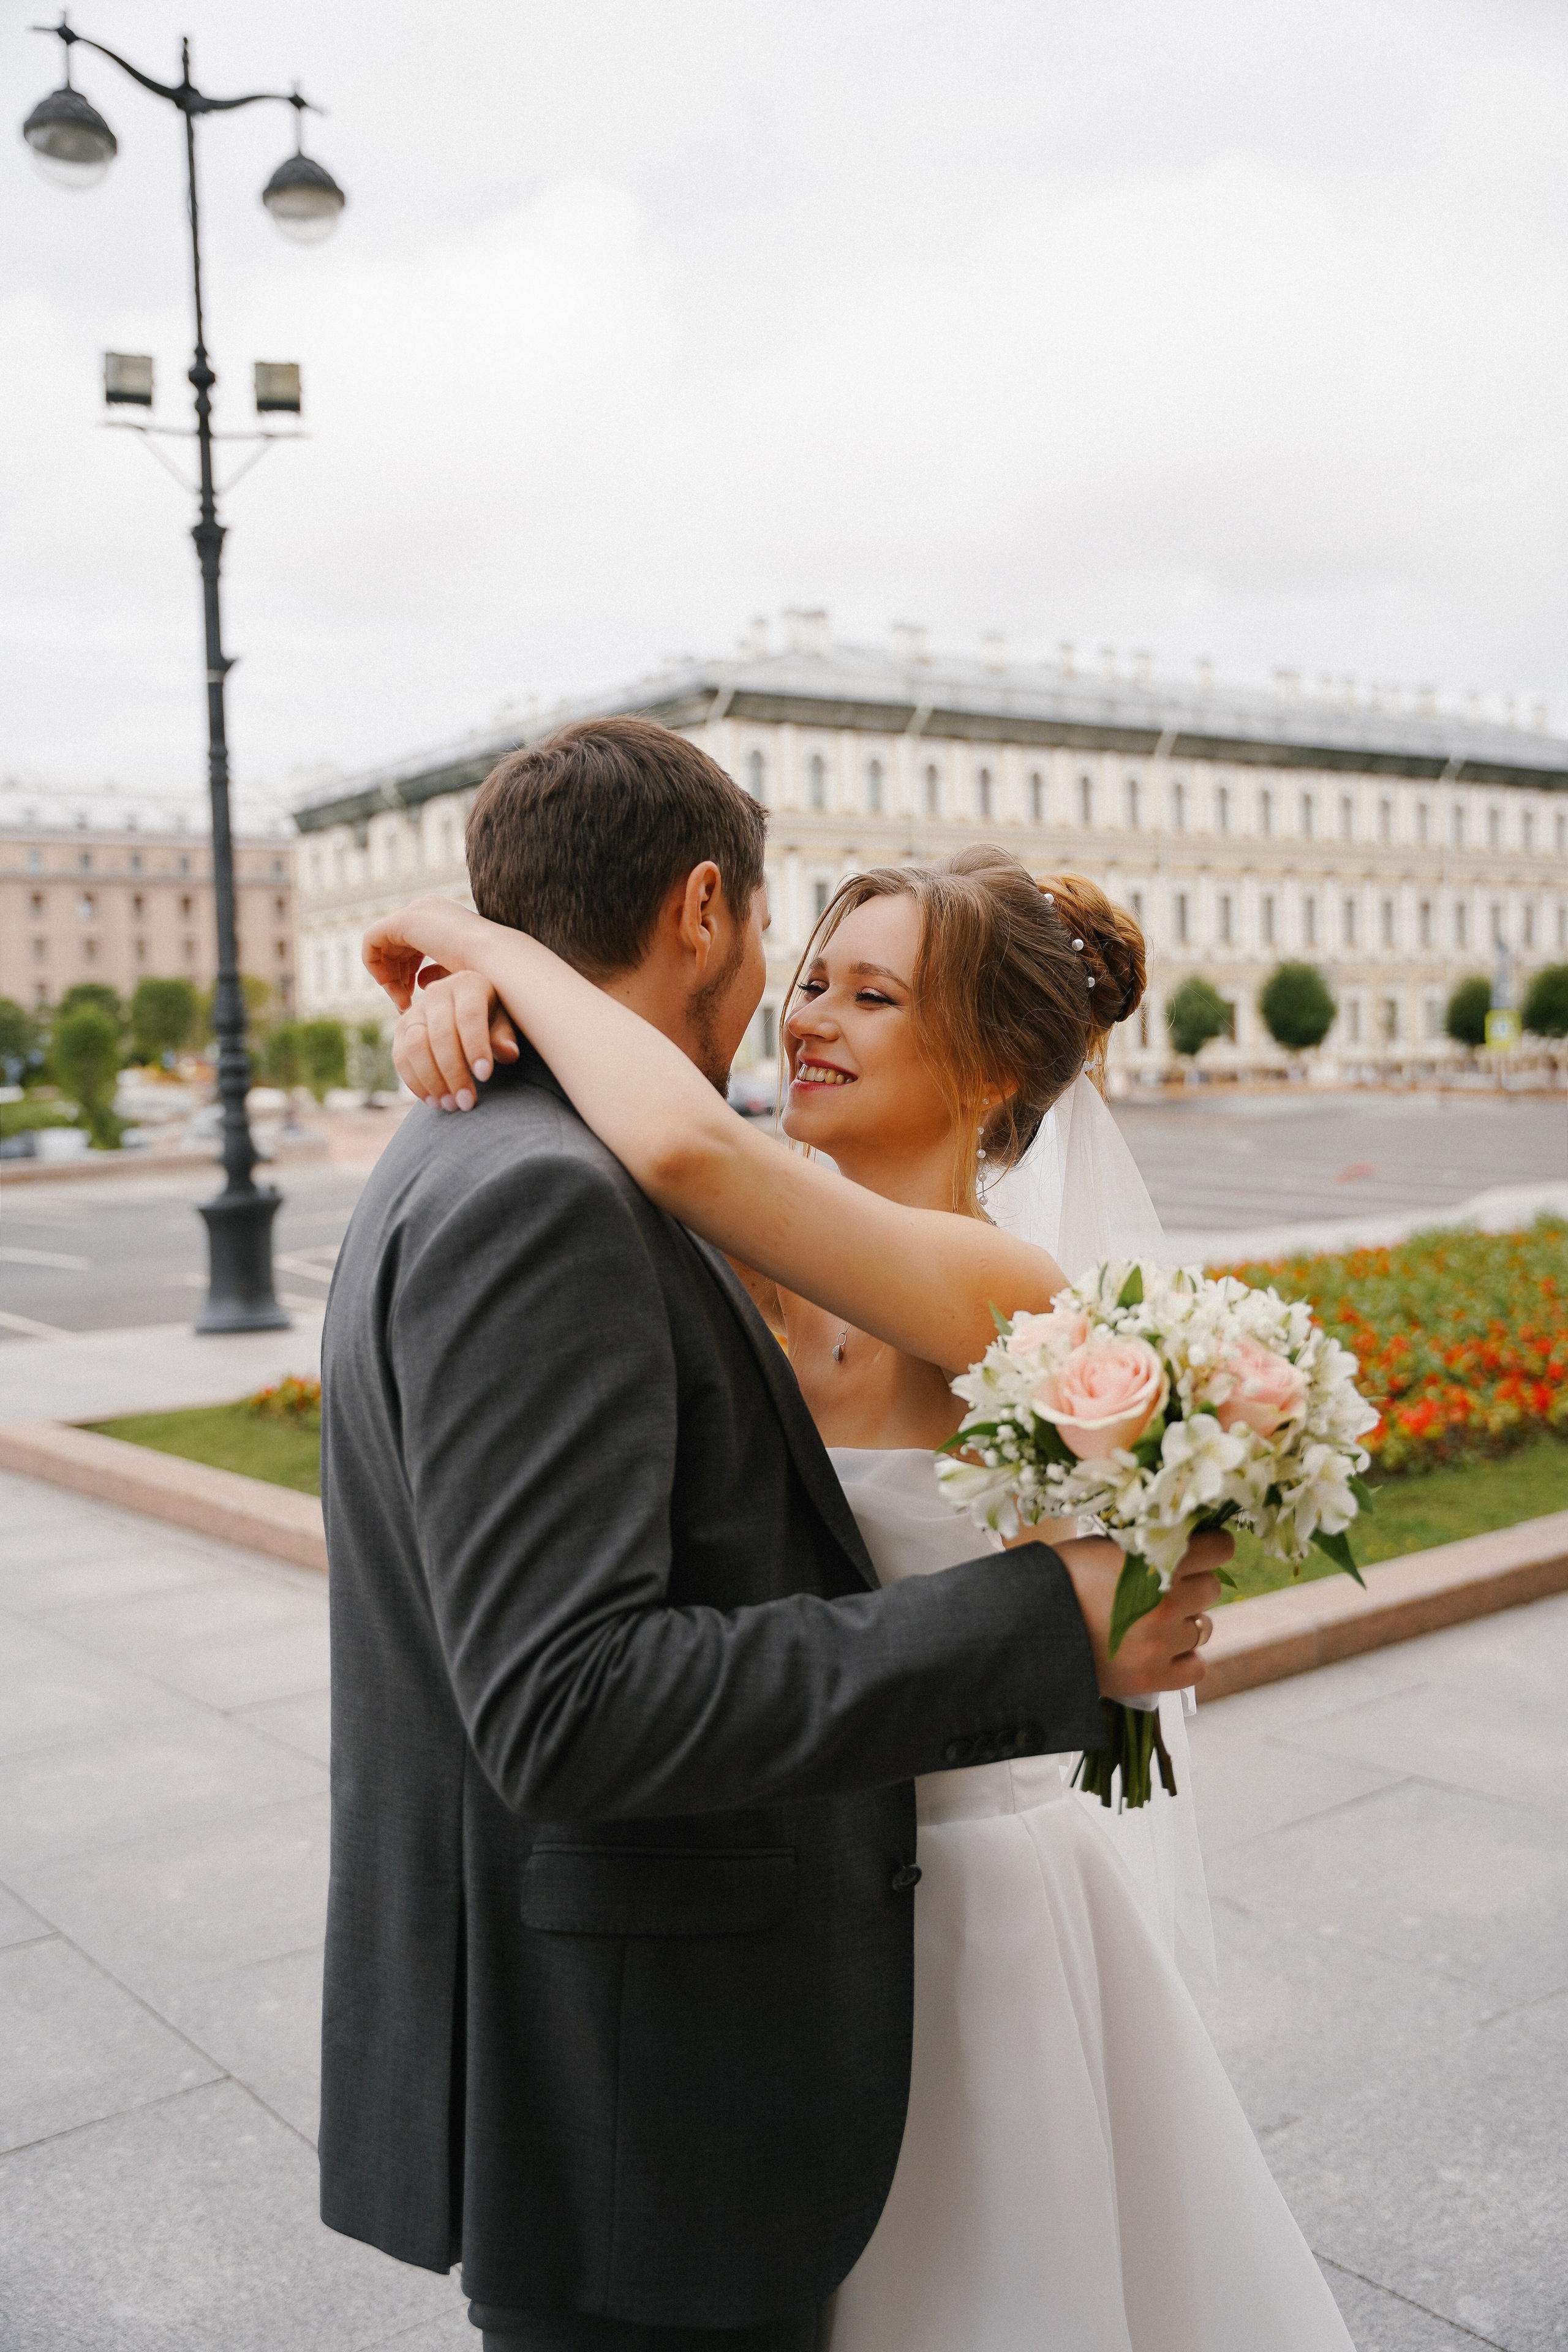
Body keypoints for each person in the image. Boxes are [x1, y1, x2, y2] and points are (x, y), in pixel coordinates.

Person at [369, 809, 1356, 2352]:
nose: (806, 1017)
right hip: (776, 1893)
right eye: (812, 977)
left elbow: (683, 1136)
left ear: (988, 1075)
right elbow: (652, 1122)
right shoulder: (738, 1247)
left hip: (972, 1909)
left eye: (871, 997)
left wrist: (484, 946)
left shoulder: (1001, 1294)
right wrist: (467, 1007)